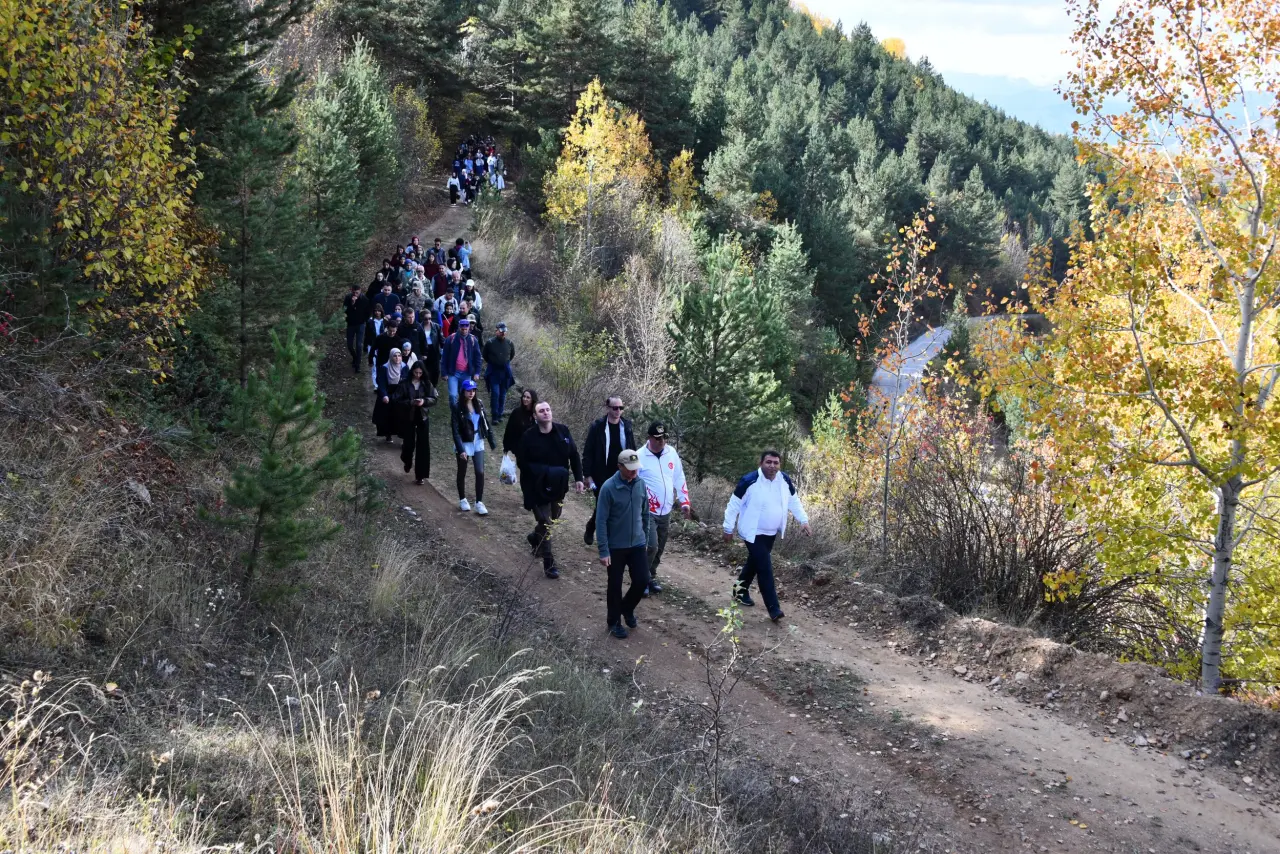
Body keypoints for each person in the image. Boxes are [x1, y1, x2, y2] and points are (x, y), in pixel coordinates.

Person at [722, 450, 812, 622]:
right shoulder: (749, 481)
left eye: (776, 463)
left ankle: (739, 591)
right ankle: (773, 608)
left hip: (770, 533)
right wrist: (728, 528)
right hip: (752, 532)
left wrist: (804, 521)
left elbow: (794, 500)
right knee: (764, 567)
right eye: (768, 462)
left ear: (780, 464)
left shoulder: (784, 480)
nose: (772, 466)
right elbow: (734, 504)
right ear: (761, 463)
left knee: (755, 563)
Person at [517, 400, 584, 579]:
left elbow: (574, 455)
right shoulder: (528, 437)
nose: (546, 413)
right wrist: (540, 473)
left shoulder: (563, 431)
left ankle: (534, 537)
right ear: (535, 416)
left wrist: (579, 478)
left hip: (558, 486)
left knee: (552, 520)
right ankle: (549, 562)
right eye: (541, 411)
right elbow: (521, 463)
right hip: (536, 486)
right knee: (546, 522)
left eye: (548, 410)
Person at [595, 448, 651, 639]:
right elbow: (601, 521)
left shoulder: (640, 484)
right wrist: (603, 550)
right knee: (615, 585)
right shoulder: (608, 488)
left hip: (637, 543)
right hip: (616, 546)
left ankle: (626, 608)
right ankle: (613, 622)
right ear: (619, 467)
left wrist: (645, 537)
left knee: (643, 580)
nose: (634, 471)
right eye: (629, 468)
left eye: (636, 468)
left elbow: (646, 514)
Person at [636, 421, 691, 595]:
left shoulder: (671, 453)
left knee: (660, 547)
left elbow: (679, 477)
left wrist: (684, 501)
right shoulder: (639, 456)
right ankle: (641, 579)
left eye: (664, 438)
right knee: (651, 545)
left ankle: (651, 576)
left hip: (666, 509)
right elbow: (630, 481)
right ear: (649, 438)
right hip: (647, 510)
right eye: (658, 438)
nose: (662, 442)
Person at [582, 397, 637, 547]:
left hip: (621, 473)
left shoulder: (627, 426)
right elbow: (588, 451)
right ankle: (594, 530)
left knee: (616, 506)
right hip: (601, 474)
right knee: (603, 505)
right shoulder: (598, 426)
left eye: (621, 407)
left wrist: (634, 470)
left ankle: (605, 534)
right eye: (615, 408)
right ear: (607, 408)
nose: (618, 411)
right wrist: (587, 475)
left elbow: (632, 448)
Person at [452, 379, 496, 514]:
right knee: (462, 471)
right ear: (463, 391)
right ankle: (462, 499)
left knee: (480, 472)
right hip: (464, 442)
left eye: (473, 390)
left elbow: (485, 422)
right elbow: (455, 430)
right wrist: (461, 449)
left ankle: (479, 502)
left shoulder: (479, 404)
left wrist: (491, 440)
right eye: (468, 390)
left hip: (478, 441)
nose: (471, 393)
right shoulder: (457, 407)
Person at [399, 362, 438, 484]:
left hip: (423, 417)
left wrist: (424, 401)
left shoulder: (427, 384)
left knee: (423, 446)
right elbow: (397, 399)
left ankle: (420, 475)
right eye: (416, 372)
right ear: (412, 372)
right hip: (409, 417)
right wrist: (410, 402)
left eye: (420, 373)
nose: (418, 375)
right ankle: (407, 460)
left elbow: (434, 398)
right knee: (408, 443)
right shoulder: (405, 384)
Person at [440, 315, 483, 410]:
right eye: (462, 328)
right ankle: (455, 413)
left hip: (466, 373)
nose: (464, 330)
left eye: (466, 328)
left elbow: (478, 357)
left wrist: (477, 372)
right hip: (453, 372)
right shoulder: (451, 339)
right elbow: (444, 357)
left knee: (465, 395)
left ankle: (463, 413)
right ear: (459, 328)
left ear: (468, 328)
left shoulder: (473, 340)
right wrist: (444, 372)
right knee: (453, 395)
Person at [482, 322, 515, 423]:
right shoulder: (490, 343)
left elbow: (511, 355)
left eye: (504, 331)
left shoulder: (509, 343)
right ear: (496, 331)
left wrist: (504, 363)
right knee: (495, 394)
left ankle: (500, 414)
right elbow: (485, 355)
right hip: (494, 372)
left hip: (505, 372)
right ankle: (494, 415)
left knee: (502, 395)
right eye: (501, 331)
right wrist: (494, 362)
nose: (503, 333)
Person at [373, 348, 406, 443]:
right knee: (387, 414)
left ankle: (402, 436)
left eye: (399, 356)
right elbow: (381, 383)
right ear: (391, 357)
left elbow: (406, 381)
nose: (397, 358)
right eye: (395, 356)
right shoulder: (385, 367)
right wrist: (384, 395)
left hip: (400, 393)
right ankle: (388, 434)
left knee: (401, 415)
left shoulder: (404, 367)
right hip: (388, 392)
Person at [503, 387, 538, 457]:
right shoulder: (516, 412)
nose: (525, 399)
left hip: (531, 450)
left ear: (532, 399)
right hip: (516, 449)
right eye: (524, 396)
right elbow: (509, 431)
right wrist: (506, 448)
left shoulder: (536, 414)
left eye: (528, 397)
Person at [343, 283, 370, 373]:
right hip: (350, 324)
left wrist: (364, 320)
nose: (355, 294)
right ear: (351, 291)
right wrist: (352, 303)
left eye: (357, 293)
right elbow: (344, 310)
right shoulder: (348, 298)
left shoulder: (364, 300)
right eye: (354, 292)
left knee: (359, 345)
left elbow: (367, 312)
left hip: (360, 324)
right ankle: (355, 357)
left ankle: (358, 365)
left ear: (360, 292)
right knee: (350, 345)